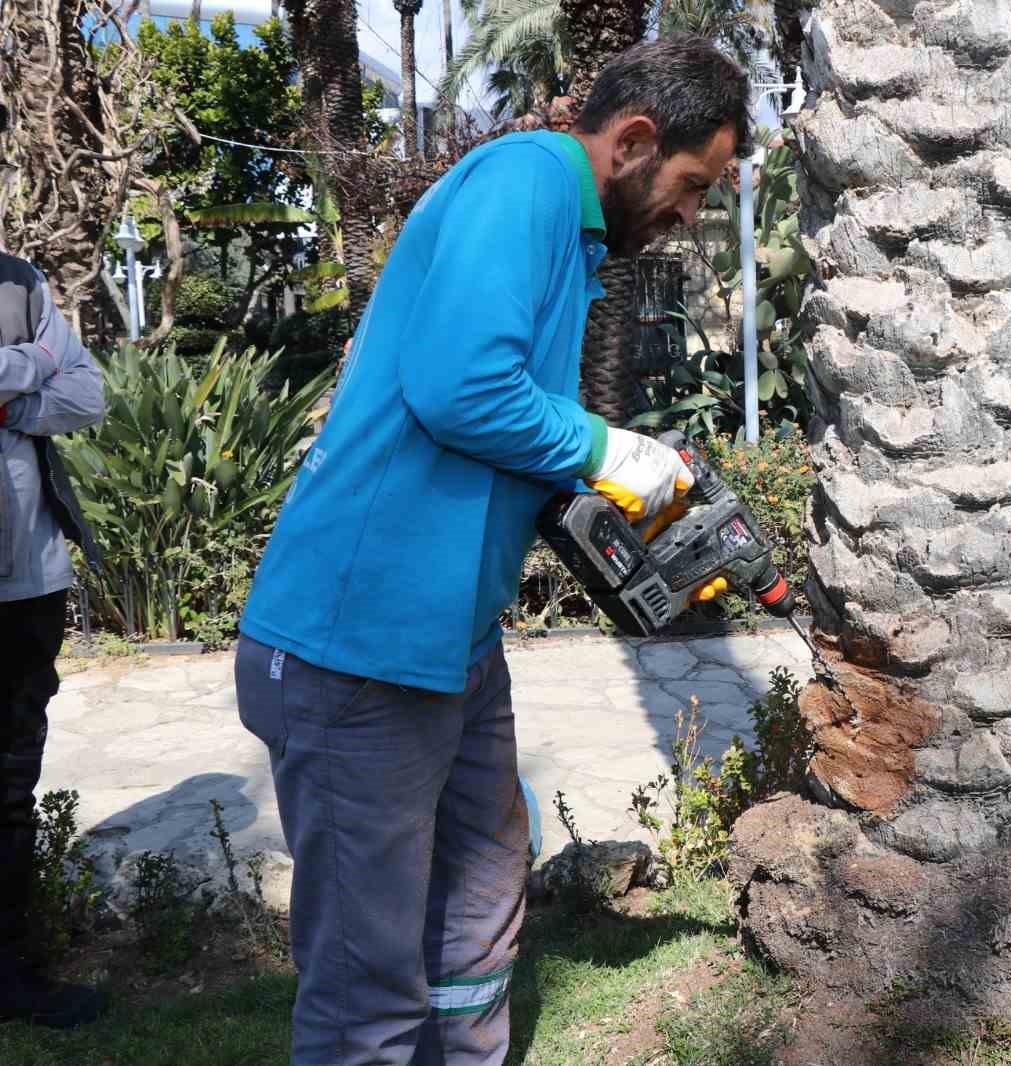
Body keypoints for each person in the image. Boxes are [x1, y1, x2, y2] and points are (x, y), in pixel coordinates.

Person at [233, 36, 750, 1065]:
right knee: (366, 980)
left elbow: (500, 421)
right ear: (636, 140)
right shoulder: (520, 183)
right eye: (694, 185)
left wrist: (607, 482)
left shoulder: (564, 230)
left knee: (478, 906)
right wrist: (604, 446)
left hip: (451, 648)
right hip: (355, 652)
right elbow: (461, 387)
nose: (693, 213)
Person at [0, 251, 107, 1028]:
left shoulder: (20, 282)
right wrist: (32, 362)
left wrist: (11, 402)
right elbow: (54, 370)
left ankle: (10, 974)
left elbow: (88, 392)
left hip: (27, 581)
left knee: (10, 789)